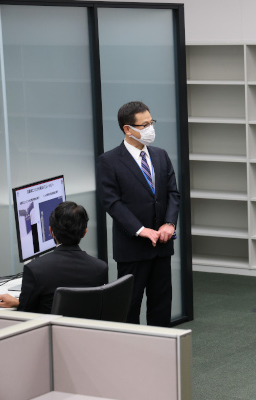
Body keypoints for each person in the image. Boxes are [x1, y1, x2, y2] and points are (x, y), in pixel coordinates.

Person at [96, 101, 180, 327]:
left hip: (162, 247)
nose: (150, 129)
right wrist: (141, 230)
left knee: (161, 305)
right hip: (132, 249)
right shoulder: (109, 161)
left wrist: (169, 224)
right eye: (144, 125)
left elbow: (173, 193)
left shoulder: (161, 156)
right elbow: (111, 202)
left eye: (151, 123)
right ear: (127, 129)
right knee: (129, 307)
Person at [0, 202, 108, 313]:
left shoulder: (35, 269)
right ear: (84, 232)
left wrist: (19, 302)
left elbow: (25, 312)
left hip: (50, 330)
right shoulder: (100, 268)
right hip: (87, 329)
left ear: (51, 231)